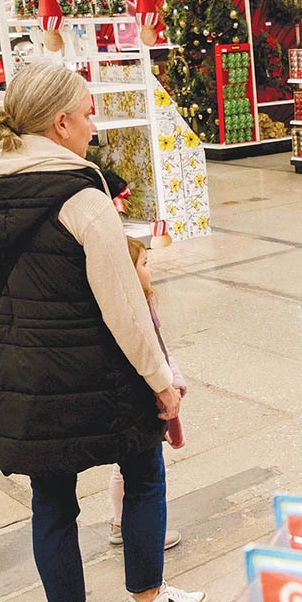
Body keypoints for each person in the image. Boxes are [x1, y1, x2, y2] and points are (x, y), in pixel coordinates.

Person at [0, 63, 207, 602]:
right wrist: (161, 381)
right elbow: (125, 307)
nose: (93, 127)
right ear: (59, 121)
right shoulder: (82, 196)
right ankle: (146, 594)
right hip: (96, 370)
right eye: (88, 113)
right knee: (144, 471)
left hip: (22, 370)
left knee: (51, 499)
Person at [108, 236, 184, 551]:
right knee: (142, 468)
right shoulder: (127, 310)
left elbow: (160, 346)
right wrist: (162, 385)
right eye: (143, 264)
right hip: (139, 396)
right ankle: (137, 530)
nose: (149, 270)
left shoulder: (144, 300)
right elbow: (147, 350)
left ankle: (120, 522)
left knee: (127, 465)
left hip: (147, 389)